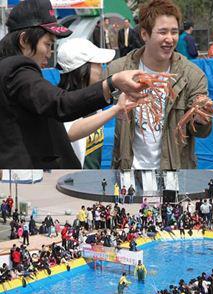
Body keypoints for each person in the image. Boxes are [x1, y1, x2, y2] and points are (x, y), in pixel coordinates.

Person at [0, 0, 147, 168]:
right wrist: (111, 84)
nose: (49, 53)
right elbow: (60, 104)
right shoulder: (17, 70)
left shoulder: (8, 70)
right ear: (24, 40)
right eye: (47, 44)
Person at [108, 0, 213, 169]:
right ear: (144, 34)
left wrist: (201, 119)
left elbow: (201, 132)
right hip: (128, 169)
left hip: (176, 171)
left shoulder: (193, 75)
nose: (170, 39)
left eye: (174, 32)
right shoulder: (119, 70)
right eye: (162, 32)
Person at [57, 38, 143, 168]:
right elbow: (69, 132)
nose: (101, 68)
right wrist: (115, 109)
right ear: (82, 69)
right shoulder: (61, 101)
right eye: (97, 64)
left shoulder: (92, 101)